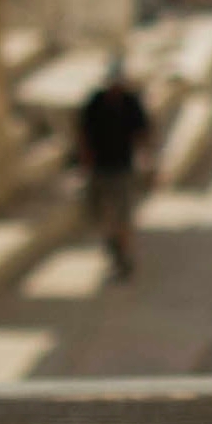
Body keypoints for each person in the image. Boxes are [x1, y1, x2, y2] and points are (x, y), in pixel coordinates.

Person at [71, 60, 155, 283]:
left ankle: (123, 256)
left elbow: (143, 134)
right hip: (98, 169)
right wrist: (84, 163)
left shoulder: (130, 103)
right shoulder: (95, 103)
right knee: (99, 215)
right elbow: (83, 135)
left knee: (123, 214)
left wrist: (148, 163)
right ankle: (113, 247)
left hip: (122, 169)